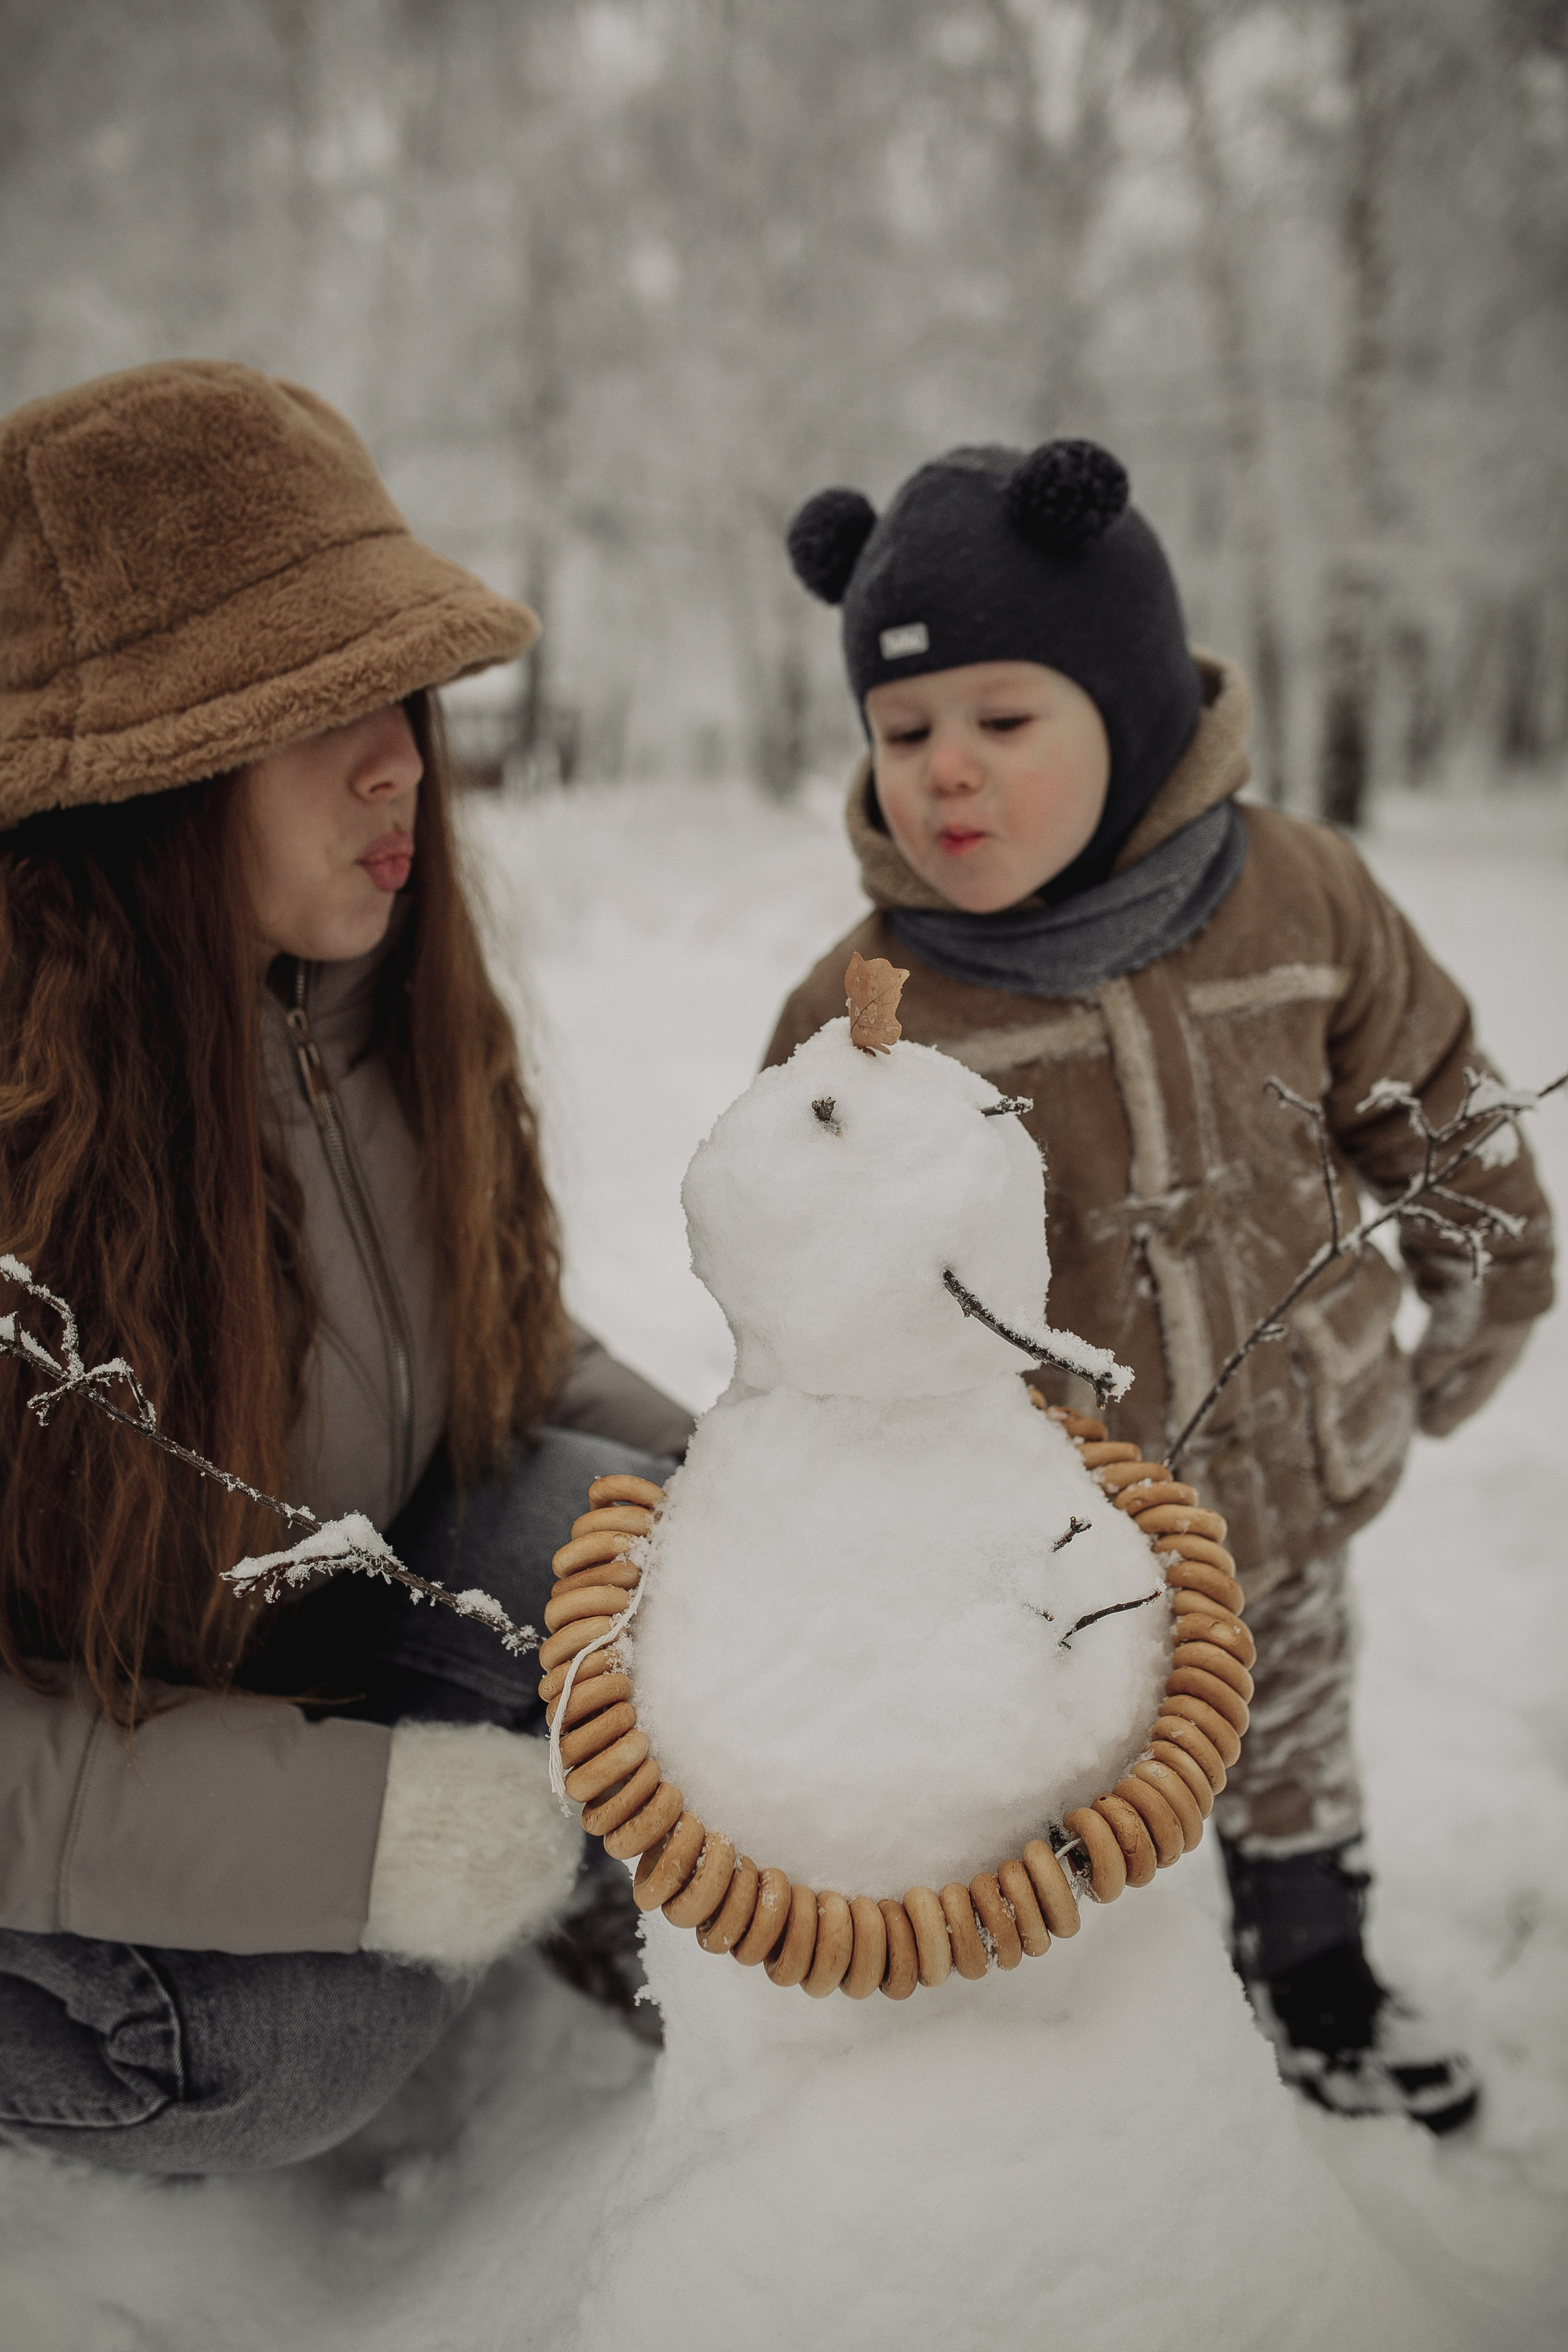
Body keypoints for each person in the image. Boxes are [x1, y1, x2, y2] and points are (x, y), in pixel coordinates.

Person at [764, 439, 1555, 2132]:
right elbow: (797, 1287)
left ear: (1124, 707)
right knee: (1059, 1783)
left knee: (1293, 1727)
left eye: (1002, 721)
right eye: (905, 734)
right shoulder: (875, 1007)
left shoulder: (1302, 896)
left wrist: (1490, 1288)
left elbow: (1439, 1101)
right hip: (1039, 1535)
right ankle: (1087, 2047)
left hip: (1289, 1458)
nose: (944, 775)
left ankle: (1316, 1961)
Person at [0, 361, 693, 2174]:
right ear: (129, 779)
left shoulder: (357, 1000)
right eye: (308, 708)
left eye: (395, 684)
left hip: (247, 1650)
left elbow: (491, 1351)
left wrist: (772, 1480)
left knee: (640, 1544)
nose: (398, 752)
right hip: (50, 1785)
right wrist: (373, 1831)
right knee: (309, 2032)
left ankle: (721, 1978)